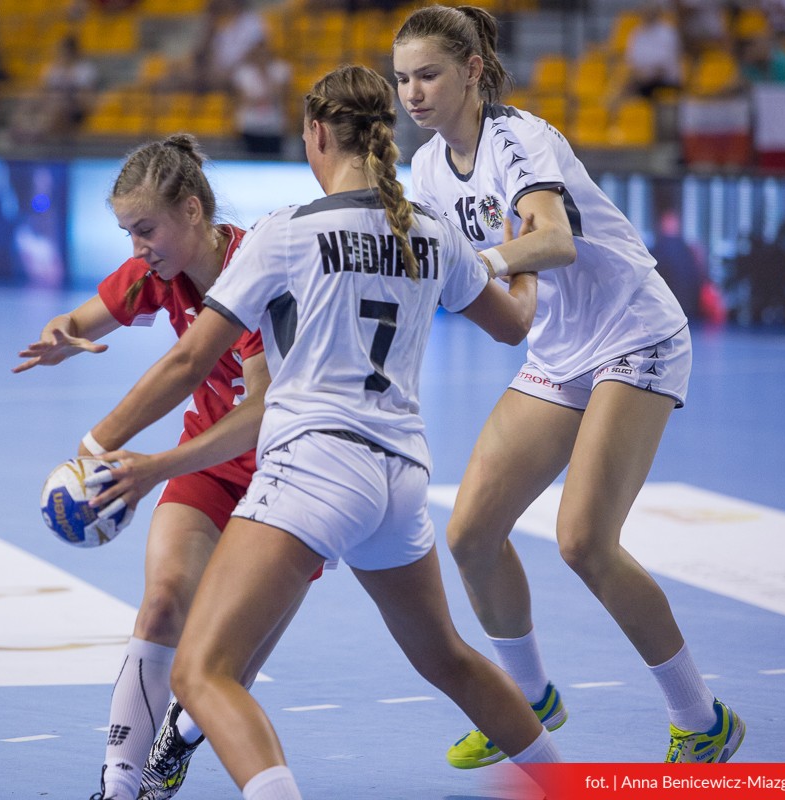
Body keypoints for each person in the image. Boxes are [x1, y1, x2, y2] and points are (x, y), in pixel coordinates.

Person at [78, 64, 558, 800]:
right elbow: (515, 324)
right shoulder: (429, 231)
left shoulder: (286, 231)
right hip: (400, 478)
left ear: (317, 135)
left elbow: (188, 360)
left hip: (315, 468)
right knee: (449, 659)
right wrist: (523, 257)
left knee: (201, 673)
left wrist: (96, 448)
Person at [392, 4, 744, 768]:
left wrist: (481, 265)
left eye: (428, 75)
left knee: (584, 541)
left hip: (633, 332)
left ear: (471, 72)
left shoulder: (517, 139)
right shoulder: (425, 169)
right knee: (471, 533)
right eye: (403, 79)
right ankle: (529, 697)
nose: (412, 93)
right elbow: (457, 282)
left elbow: (553, 238)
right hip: (559, 348)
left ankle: (700, 717)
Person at [13, 134, 304, 800]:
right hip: (207, 465)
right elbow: (84, 317)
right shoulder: (156, 272)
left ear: (193, 211)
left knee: (220, 672)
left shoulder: (256, 272)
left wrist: (127, 458)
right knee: (163, 602)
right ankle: (119, 787)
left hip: (290, 474)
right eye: (127, 232)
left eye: (145, 229)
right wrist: (63, 332)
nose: (136, 246)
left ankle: (178, 735)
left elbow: (259, 411)